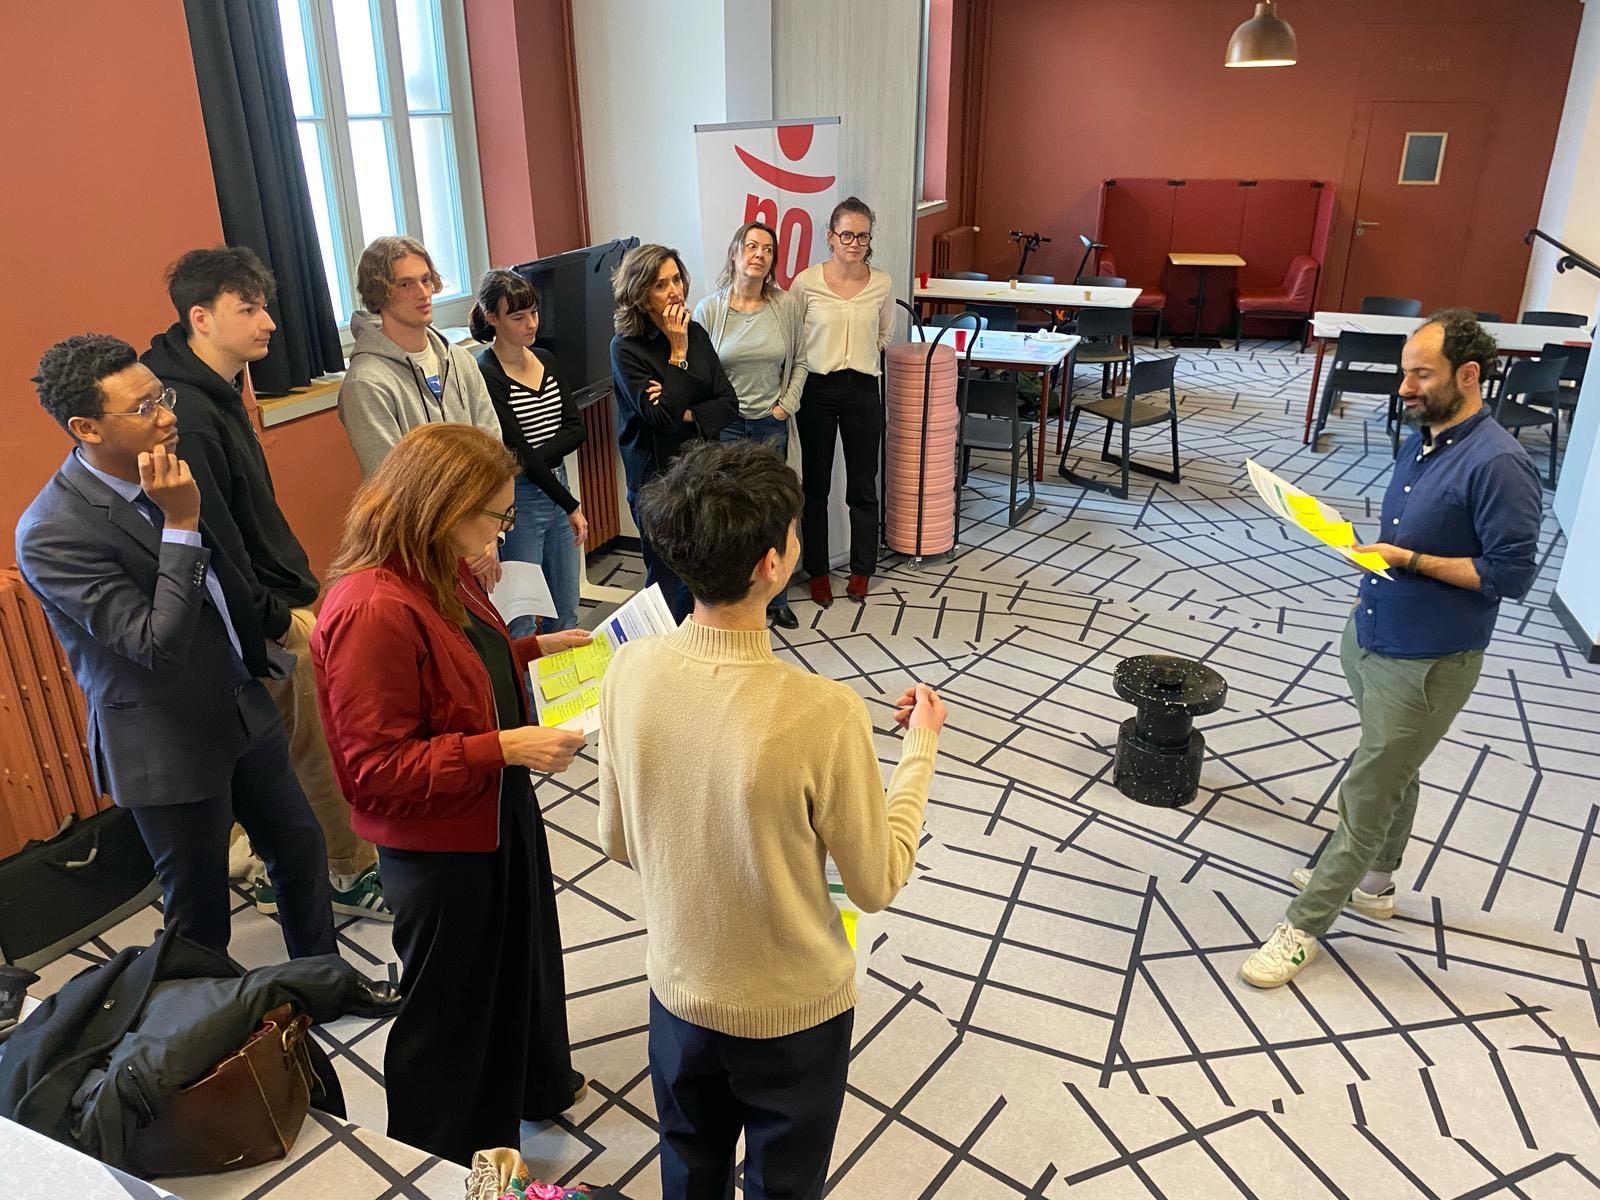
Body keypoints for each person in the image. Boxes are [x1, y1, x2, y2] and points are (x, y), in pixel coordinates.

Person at [598, 439, 946, 1199]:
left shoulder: (629, 668)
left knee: (688, 1168)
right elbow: (878, 880)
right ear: (771, 563)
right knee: (783, 1185)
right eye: (793, 534)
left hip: (678, 991)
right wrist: (919, 749)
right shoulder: (822, 712)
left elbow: (617, 840)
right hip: (793, 1012)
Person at [15, 335, 352, 969]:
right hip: (165, 742)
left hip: (241, 704)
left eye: (160, 397)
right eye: (142, 409)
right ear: (85, 427)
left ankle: (323, 981)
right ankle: (216, 1042)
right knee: (199, 913)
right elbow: (153, 644)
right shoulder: (51, 532)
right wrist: (180, 524)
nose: (167, 416)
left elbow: (225, 579)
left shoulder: (164, 469)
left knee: (300, 850)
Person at [312, 423, 590, 1165]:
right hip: (439, 840)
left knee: (514, 963)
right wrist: (501, 747)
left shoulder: (445, 567)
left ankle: (523, 1094)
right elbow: (374, 769)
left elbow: (462, 670)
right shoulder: (370, 607)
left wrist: (532, 651)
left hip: (494, 804)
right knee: (449, 1010)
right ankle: (437, 1155)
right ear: (438, 506)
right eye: (493, 516)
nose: (500, 530)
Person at [1242, 309, 1543, 988]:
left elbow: (1510, 575)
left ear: (1468, 376)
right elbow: (1405, 529)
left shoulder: (1500, 463)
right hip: (1377, 628)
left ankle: (1305, 924)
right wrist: (1378, 573)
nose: (1404, 386)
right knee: (1394, 759)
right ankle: (1375, 883)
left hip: (1431, 658)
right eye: (1405, 370)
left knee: (1369, 786)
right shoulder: (1426, 437)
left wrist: (1409, 558)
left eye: (1421, 374)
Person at [142, 245, 390, 921]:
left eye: (265, 306)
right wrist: (279, 618)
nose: (269, 323)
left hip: (277, 599)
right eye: (247, 309)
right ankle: (345, 869)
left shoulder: (212, 389)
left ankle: (269, 857)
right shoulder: (186, 413)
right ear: (200, 317)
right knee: (316, 743)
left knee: (282, 747)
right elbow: (215, 544)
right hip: (266, 617)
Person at [337, 234, 503, 590]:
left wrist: (490, 534)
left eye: (426, 279)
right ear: (380, 293)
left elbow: (492, 449)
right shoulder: (366, 382)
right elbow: (395, 487)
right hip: (425, 555)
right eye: (405, 283)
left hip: (482, 540)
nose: (423, 292)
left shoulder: (458, 359)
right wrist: (464, 541)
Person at [608, 243, 739, 622]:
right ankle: (668, 662)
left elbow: (729, 403)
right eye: (661, 285)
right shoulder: (626, 348)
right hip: (657, 483)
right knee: (670, 581)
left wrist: (682, 410)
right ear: (640, 294)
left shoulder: (695, 331)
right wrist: (678, 354)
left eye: (676, 279)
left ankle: (699, 653)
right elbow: (661, 421)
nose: (675, 291)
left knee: (705, 573)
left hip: (703, 473)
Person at [692, 221, 809, 630]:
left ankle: (777, 599)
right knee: (728, 514)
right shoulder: (708, 310)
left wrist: (785, 406)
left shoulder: (786, 307)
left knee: (775, 511)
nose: (759, 254)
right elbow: (697, 372)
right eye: (752, 246)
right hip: (726, 428)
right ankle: (732, 597)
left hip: (769, 425)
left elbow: (800, 362)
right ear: (735, 253)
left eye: (768, 250)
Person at [471, 269, 588, 634]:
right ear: (492, 318)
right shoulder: (487, 372)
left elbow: (575, 429)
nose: (530, 324)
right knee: (521, 615)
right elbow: (514, 452)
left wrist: (536, 460)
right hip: (520, 500)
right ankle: (527, 691)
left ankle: (565, 689)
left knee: (565, 609)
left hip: (555, 485)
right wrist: (569, 503)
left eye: (533, 313)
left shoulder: (546, 360)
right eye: (518, 317)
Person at [792, 196, 894, 608]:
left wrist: (861, 358)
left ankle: (861, 569)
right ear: (831, 237)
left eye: (863, 235)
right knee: (814, 488)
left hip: (863, 390)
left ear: (870, 239)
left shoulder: (882, 283)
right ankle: (817, 571)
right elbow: (795, 337)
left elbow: (884, 334)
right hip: (817, 388)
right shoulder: (805, 282)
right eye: (847, 234)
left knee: (862, 486)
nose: (855, 242)